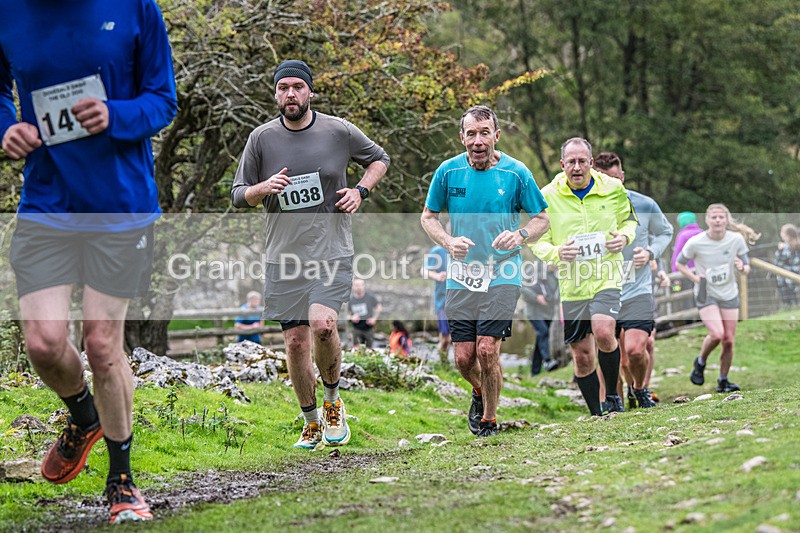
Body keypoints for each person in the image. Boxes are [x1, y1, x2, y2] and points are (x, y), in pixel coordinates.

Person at [0, 0, 177, 523]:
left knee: (102, 344)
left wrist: (115, 115)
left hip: (118, 204)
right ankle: (84, 416)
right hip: (47, 202)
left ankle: (121, 482)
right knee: (43, 342)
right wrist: (6, 127)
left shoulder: (134, 7)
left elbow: (163, 101)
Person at [230, 59, 389, 449]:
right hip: (283, 257)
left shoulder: (338, 131)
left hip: (331, 249)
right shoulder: (261, 139)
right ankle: (310, 420)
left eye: (297, 87)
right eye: (283, 87)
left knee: (322, 326)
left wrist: (360, 191)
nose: (290, 94)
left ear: (310, 91)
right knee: (296, 343)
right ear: (275, 93)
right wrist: (262, 188)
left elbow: (380, 159)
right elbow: (238, 195)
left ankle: (334, 402)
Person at [421, 105, 549, 437]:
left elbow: (542, 220)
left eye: (484, 133)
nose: (478, 141)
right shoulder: (448, 172)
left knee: (487, 348)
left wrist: (520, 235)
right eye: (471, 134)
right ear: (462, 137)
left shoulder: (516, 172)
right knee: (463, 359)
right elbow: (428, 217)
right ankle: (479, 390)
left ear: (496, 135)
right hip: (462, 274)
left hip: (503, 272)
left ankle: (490, 419)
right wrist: (448, 242)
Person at [531, 138, 637, 416]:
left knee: (604, 331)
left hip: (606, 276)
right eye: (571, 162)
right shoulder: (547, 196)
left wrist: (623, 238)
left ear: (591, 163)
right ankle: (596, 412)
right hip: (572, 285)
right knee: (581, 354)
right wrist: (557, 252)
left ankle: (613, 396)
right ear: (562, 164)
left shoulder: (613, 189)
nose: (577, 167)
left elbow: (630, 221)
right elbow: (535, 240)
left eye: (582, 161)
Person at [593, 152, 673, 410]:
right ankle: (612, 404)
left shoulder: (645, 204)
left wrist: (650, 253)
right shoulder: (585, 208)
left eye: (616, 180)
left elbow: (665, 231)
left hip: (637, 289)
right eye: (605, 180)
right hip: (602, 289)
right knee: (611, 354)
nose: (612, 186)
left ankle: (639, 389)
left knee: (637, 350)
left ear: (623, 176)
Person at [676, 203, 759, 393]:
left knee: (729, 340)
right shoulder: (696, 242)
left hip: (729, 292)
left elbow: (746, 267)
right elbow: (679, 264)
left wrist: (741, 267)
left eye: (721, 217)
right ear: (707, 220)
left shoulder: (736, 239)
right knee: (717, 334)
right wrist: (695, 277)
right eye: (714, 217)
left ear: (727, 220)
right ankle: (700, 362)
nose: (718, 220)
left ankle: (723, 380)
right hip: (707, 292)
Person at [520, 261, 560, 375]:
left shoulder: (555, 274)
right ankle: (548, 361)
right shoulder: (534, 269)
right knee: (543, 332)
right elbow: (522, 286)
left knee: (541, 338)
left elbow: (555, 293)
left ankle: (535, 371)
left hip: (548, 312)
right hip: (534, 311)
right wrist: (536, 297)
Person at [421, 241, 451, 363]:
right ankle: (443, 364)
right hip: (443, 301)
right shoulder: (438, 250)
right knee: (445, 339)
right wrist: (437, 276)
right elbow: (424, 270)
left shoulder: (466, 248)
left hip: (462, 301)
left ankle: (459, 367)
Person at [348, 278, 382, 348]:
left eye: (361, 285)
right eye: (356, 285)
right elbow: (346, 314)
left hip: (368, 328)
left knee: (369, 349)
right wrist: (351, 317)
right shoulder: (350, 300)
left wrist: (374, 318)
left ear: (364, 286)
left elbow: (379, 307)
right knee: (356, 349)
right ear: (353, 287)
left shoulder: (370, 297)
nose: (359, 287)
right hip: (356, 328)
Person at [774, 223, 800, 307]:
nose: (781, 234)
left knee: (790, 298)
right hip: (787, 279)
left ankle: (792, 306)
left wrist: (780, 251)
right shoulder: (786, 247)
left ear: (788, 236)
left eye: (782, 232)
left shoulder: (787, 248)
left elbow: (778, 263)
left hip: (791, 278)